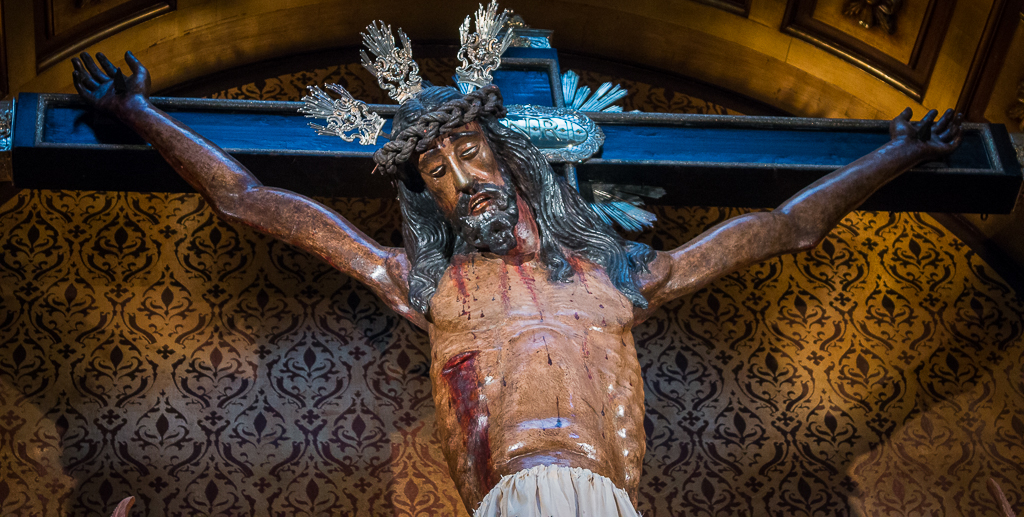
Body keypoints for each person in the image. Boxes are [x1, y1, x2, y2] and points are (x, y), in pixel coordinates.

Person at [73, 45, 960, 517]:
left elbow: (788, 226)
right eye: (437, 172)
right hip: (512, 496)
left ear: (508, 155)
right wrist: (139, 112)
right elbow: (249, 200)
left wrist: (899, 152)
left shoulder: (623, 274)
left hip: (608, 499)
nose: (461, 179)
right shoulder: (424, 285)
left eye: (470, 152)